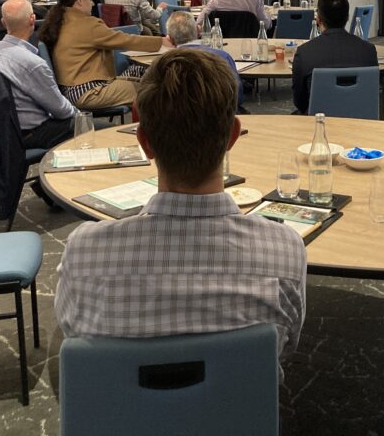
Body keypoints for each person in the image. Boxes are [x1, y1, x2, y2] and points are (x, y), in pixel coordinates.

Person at [54, 50, 306, 369]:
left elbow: (73, 330)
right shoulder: (285, 251)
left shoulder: (83, 252)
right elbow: (286, 347)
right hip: (243, 399)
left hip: (120, 399)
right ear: (232, 136)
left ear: (143, 141)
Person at [38, 0, 162, 111]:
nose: (92, 4)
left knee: (141, 76)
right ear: (79, 1)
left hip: (71, 90)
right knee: (152, 91)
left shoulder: (59, 21)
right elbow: (125, 40)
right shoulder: (87, 24)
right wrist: (161, 42)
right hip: (89, 91)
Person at [0, 0, 78, 150]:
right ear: (32, 20)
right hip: (27, 134)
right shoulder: (33, 64)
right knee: (94, 127)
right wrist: (81, 115)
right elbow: (61, 111)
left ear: (3, 23)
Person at [291, 0, 378, 115]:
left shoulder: (304, 53)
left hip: (319, 122)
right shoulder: (368, 51)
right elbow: (372, 94)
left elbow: (300, 101)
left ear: (318, 19)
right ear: (347, 18)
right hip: (359, 121)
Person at [165, 11, 244, 111]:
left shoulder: (166, 62)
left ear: (170, 39)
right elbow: (237, 94)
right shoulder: (223, 56)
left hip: (180, 116)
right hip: (220, 115)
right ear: (198, 30)